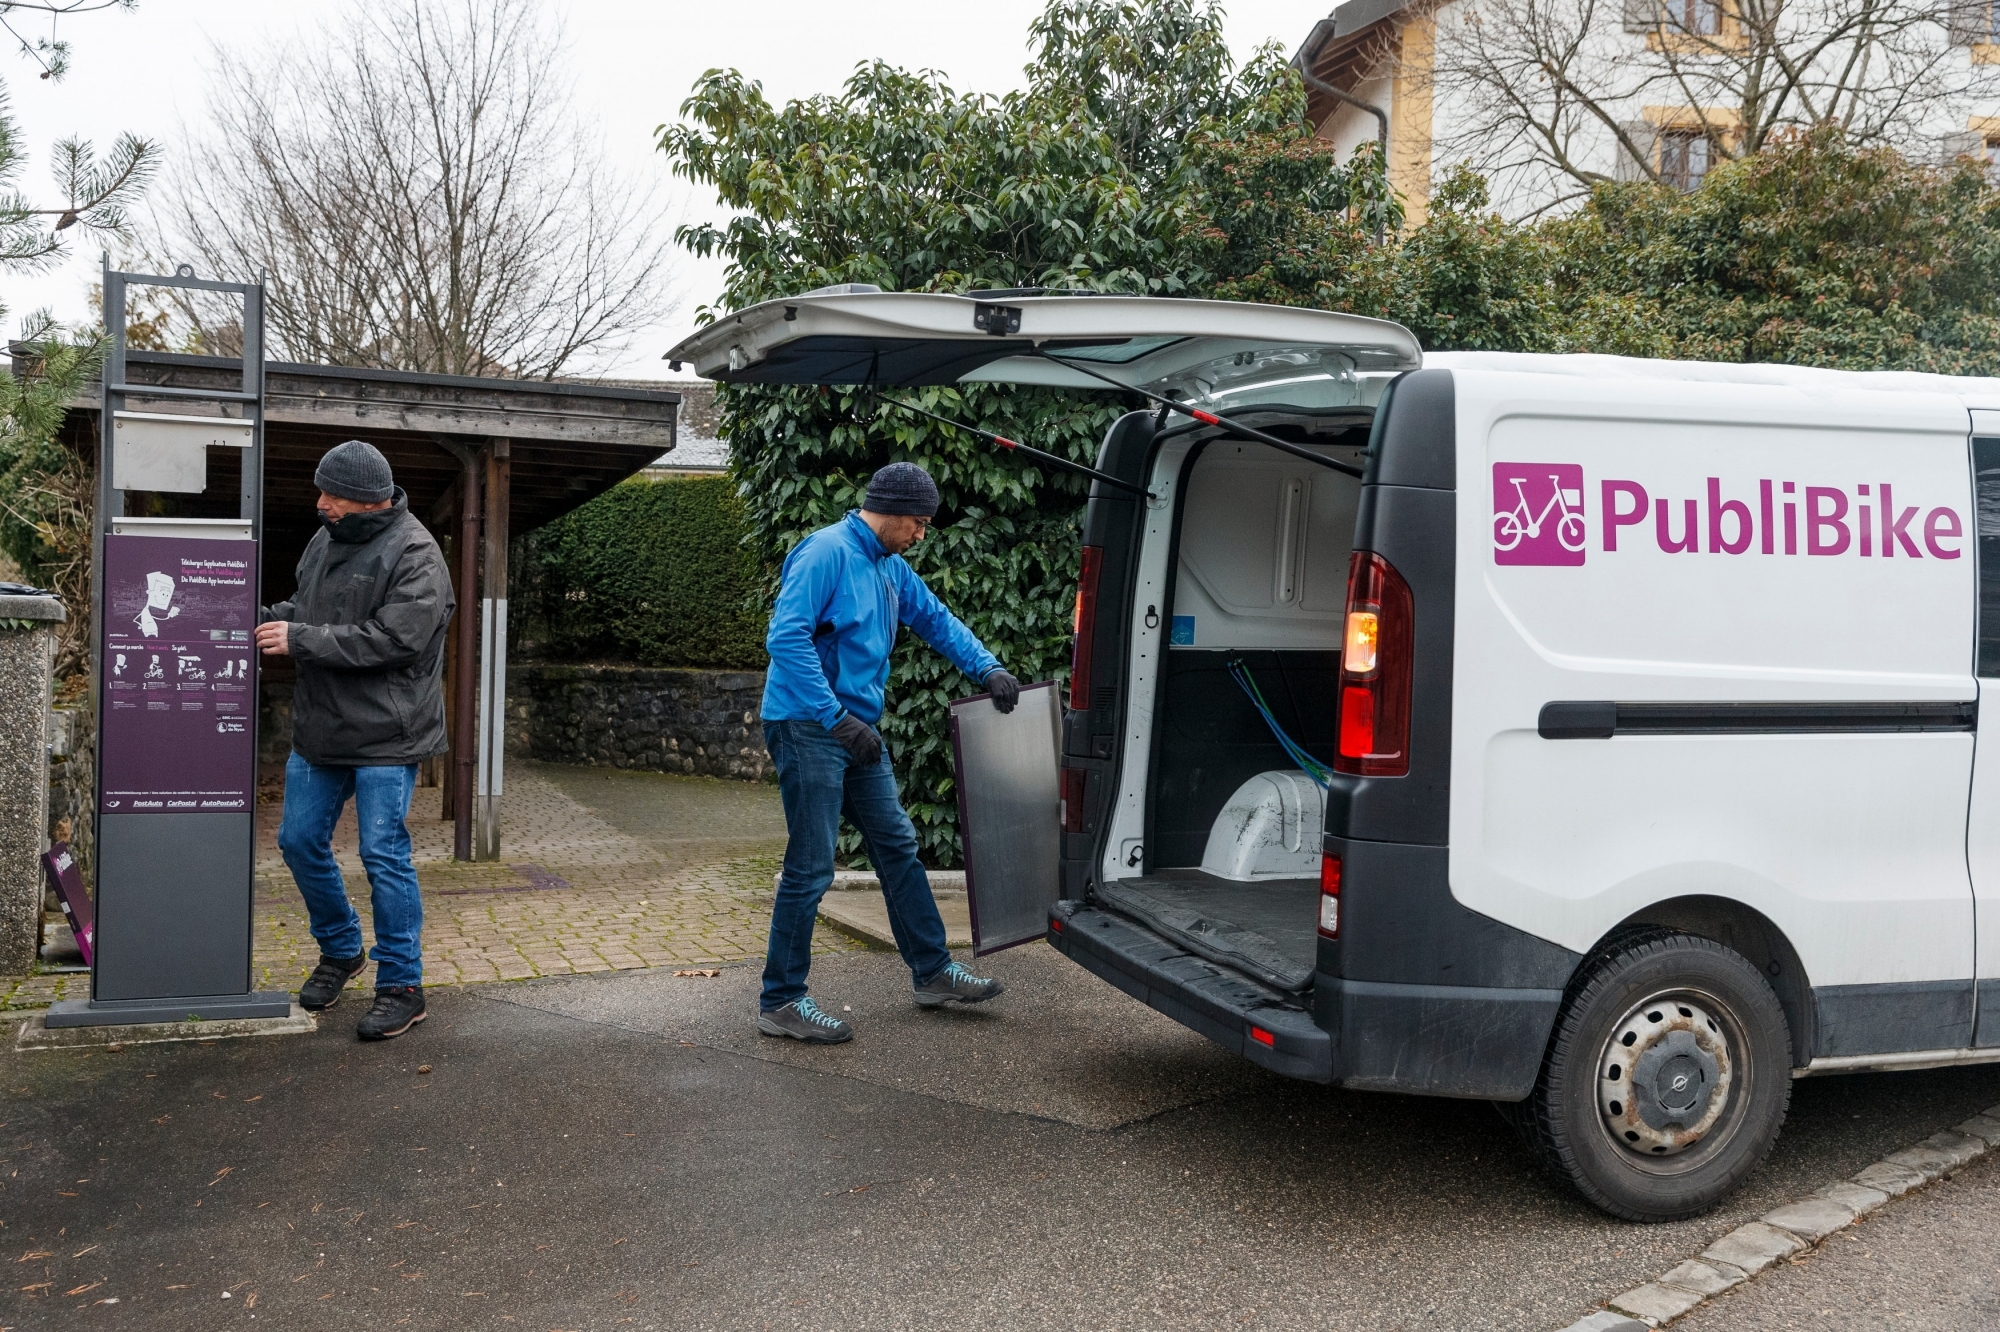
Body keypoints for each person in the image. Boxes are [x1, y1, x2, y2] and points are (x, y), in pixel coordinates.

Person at [757, 461, 1022, 1043]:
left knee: (898, 844)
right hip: (808, 724)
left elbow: (936, 620)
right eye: (919, 523)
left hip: (856, 730)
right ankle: (781, 1000)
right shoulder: (824, 552)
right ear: (895, 512)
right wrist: (835, 716)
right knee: (811, 865)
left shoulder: (890, 568)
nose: (922, 535)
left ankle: (931, 972)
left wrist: (988, 668)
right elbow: (786, 637)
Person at [255, 439, 454, 1041]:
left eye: (331, 495)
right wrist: (267, 620)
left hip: (387, 734)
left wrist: (302, 639)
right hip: (322, 728)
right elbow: (312, 608)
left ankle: (402, 984)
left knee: (382, 855)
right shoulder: (326, 539)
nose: (321, 504)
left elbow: (395, 640)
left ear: (368, 501)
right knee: (297, 840)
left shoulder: (418, 553)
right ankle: (343, 949)